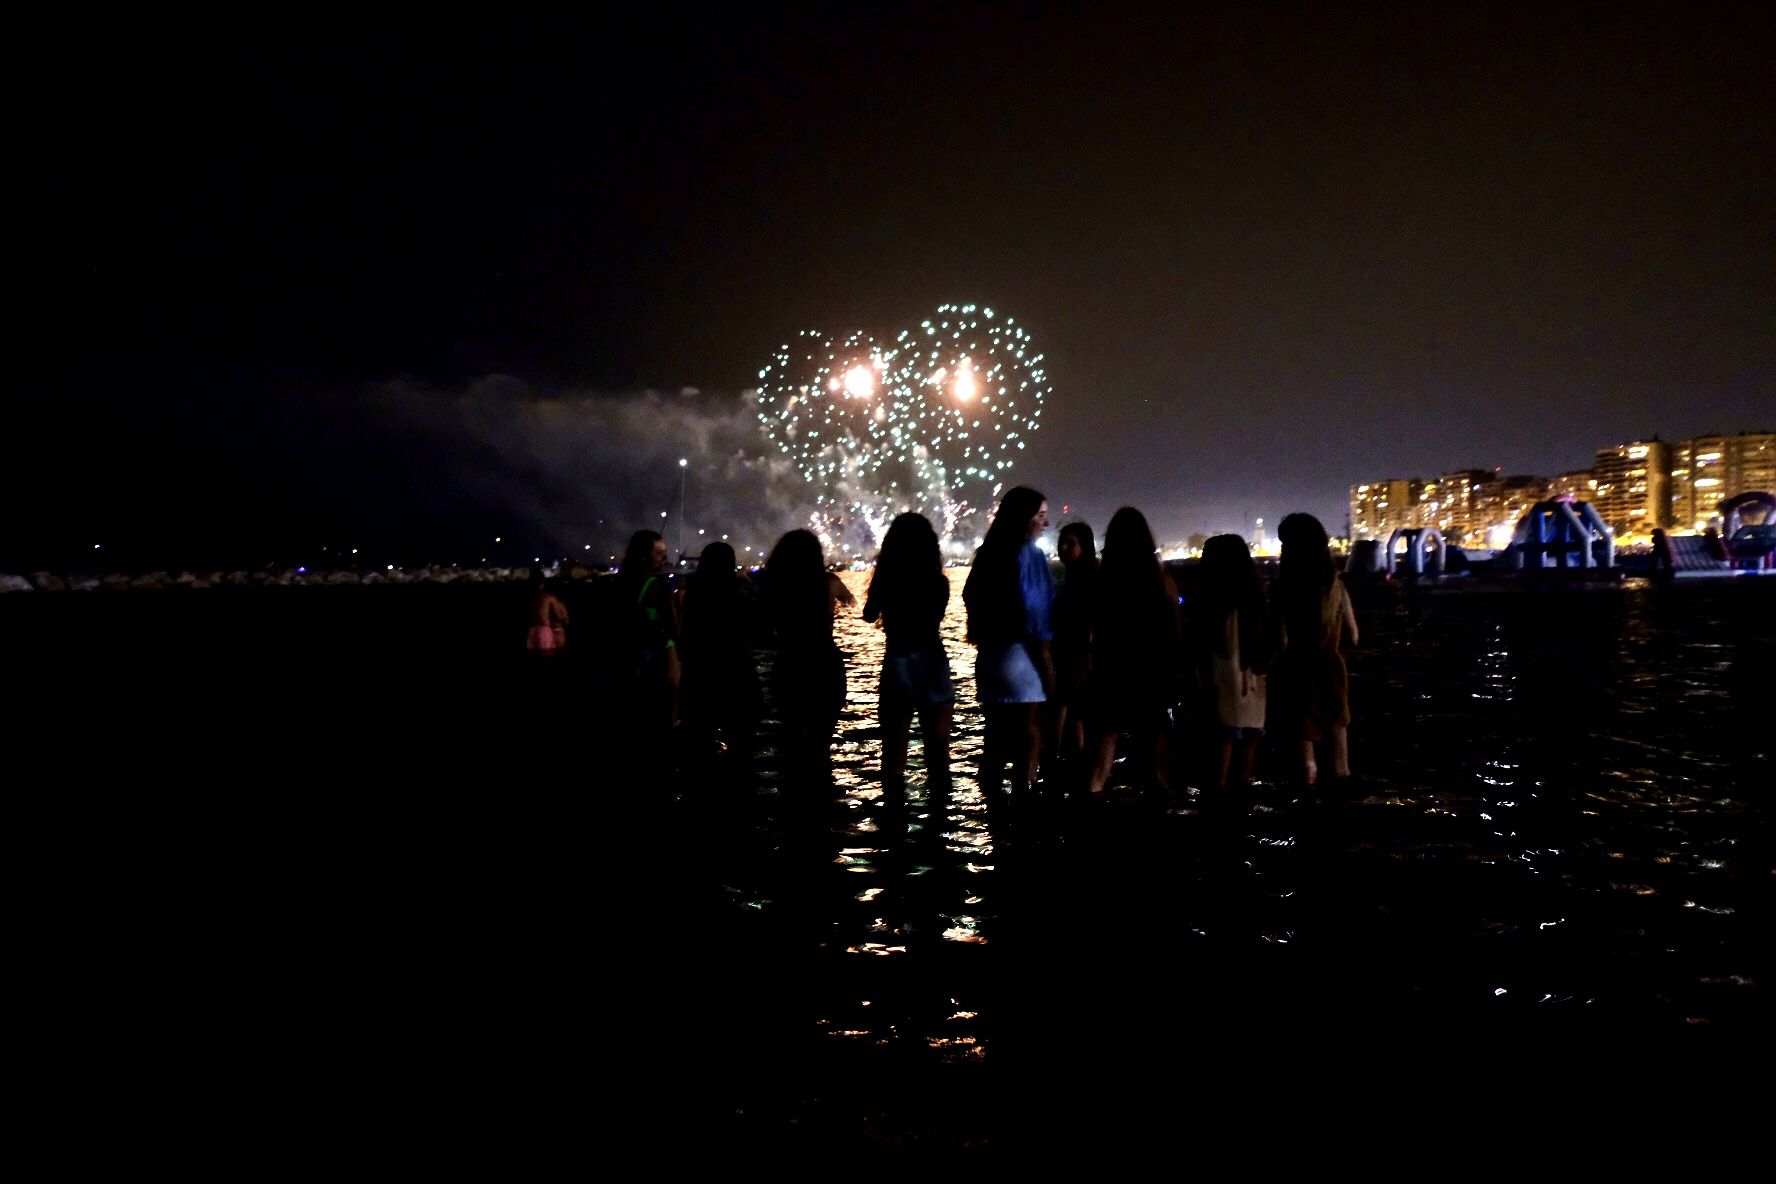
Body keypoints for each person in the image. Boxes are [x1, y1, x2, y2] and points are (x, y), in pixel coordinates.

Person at [962, 486, 1054, 805]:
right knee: (1029, 732)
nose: (1046, 523)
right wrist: (1047, 662)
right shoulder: (1030, 555)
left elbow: (970, 596)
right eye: (1040, 516)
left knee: (994, 734)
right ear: (1024, 518)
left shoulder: (987, 554)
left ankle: (992, 805)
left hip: (990, 656)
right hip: (1022, 655)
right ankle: (1022, 797)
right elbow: (1036, 611)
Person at [1082, 507, 1181, 799]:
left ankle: (1091, 803)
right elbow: (1175, 630)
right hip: (1153, 670)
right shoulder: (1160, 582)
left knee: (1105, 742)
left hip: (1112, 669)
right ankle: (1155, 804)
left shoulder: (1103, 582)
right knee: (1154, 744)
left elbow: (1094, 629)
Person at [862, 512, 954, 825]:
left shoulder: (887, 581)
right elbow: (935, 617)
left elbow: (869, 614)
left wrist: (884, 582)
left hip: (897, 660)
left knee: (894, 752)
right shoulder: (938, 583)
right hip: (932, 661)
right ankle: (941, 825)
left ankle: (894, 825)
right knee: (938, 752)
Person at [1270, 512, 1358, 786]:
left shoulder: (1283, 588)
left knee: (1306, 759)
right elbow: (1354, 636)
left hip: (1299, 668)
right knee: (1340, 755)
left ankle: (1308, 815)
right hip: (1332, 668)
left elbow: (1280, 640)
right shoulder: (1336, 585)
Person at [764, 529, 847, 785]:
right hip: (825, 663)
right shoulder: (829, 582)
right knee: (821, 743)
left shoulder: (774, 585)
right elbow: (852, 601)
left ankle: (794, 803)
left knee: (792, 740)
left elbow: (764, 628)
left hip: (790, 662)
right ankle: (821, 801)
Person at [1192, 534, 1270, 788]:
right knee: (1244, 771)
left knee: (1217, 773)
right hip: (1254, 691)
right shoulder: (1256, 601)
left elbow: (1206, 650)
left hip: (1223, 692)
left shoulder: (1212, 603)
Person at [674, 541, 761, 766]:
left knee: (699, 749)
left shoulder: (692, 593)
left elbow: (684, 636)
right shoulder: (737, 593)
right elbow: (757, 630)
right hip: (736, 673)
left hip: (699, 675)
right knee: (741, 747)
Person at [590, 529, 680, 743]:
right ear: (643, 555)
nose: (665, 558)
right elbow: (670, 631)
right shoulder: (658, 587)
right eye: (659, 553)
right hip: (652, 671)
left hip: (620, 670)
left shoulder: (613, 585)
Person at [1047, 521, 1097, 765]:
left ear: (1084, 546)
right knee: (1075, 718)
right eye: (1062, 543)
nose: (1063, 548)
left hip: (1077, 661)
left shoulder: (1087, 583)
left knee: (1065, 712)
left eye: (1071, 543)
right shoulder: (1073, 579)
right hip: (1069, 658)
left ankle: (1056, 767)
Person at [525, 568, 570, 653]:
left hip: (531, 631)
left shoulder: (531, 596)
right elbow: (559, 616)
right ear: (543, 582)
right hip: (544, 630)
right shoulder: (548, 597)